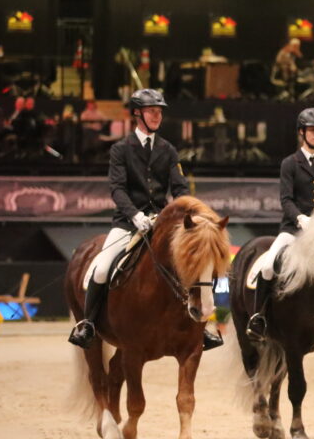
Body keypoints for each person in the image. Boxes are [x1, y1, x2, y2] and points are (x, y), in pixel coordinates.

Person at [68, 90, 219, 349]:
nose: (157, 116)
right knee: (102, 267)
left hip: (162, 224)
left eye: (160, 112)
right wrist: (135, 215)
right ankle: (89, 324)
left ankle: (201, 328)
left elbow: (180, 188)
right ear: (137, 113)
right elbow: (117, 189)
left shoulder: (168, 150)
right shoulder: (120, 149)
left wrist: (181, 212)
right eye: (152, 111)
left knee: (193, 264)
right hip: (128, 223)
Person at [245, 108, 314, 340]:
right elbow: (285, 199)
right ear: (302, 132)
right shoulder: (290, 163)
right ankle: (259, 317)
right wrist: (300, 218)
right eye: (313, 131)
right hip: (292, 229)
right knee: (268, 266)